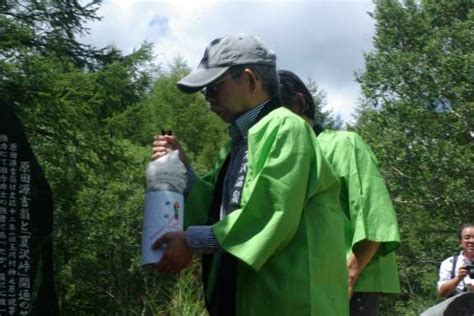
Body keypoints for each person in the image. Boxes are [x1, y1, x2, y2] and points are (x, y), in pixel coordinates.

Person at [150, 34, 348, 315]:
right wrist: (181, 168)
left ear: (250, 79)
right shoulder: (238, 144)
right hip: (247, 299)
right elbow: (212, 206)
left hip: (291, 302)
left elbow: (270, 212)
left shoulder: (286, 128)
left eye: (214, 87)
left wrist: (191, 242)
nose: (208, 99)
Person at [279, 70, 401, 316]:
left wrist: (348, 277)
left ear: (300, 102)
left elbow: (374, 219)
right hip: (308, 288)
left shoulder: (343, 144)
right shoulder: (284, 157)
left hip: (352, 285)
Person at [437, 223, 474, 297]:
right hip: (460, 307)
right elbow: (442, 292)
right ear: (460, 242)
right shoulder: (449, 264)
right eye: (467, 237)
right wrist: (458, 278)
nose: (472, 241)